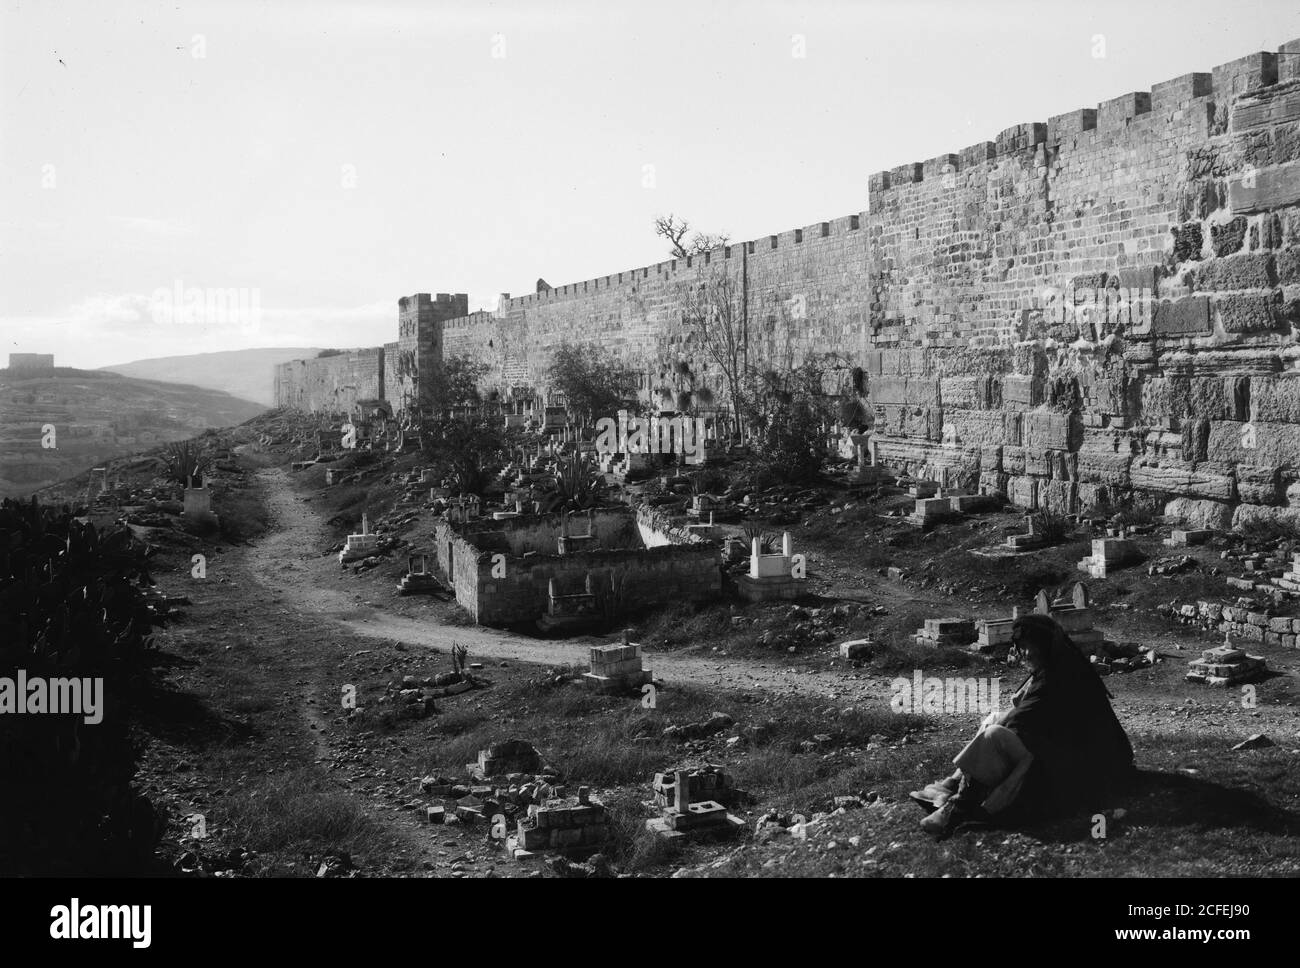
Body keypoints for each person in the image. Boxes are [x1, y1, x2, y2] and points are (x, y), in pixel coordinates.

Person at [910, 612, 1134, 838]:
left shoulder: (1058, 676)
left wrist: (1004, 726)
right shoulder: (1059, 664)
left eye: (1027, 646)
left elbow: (1020, 721)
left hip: (1092, 766)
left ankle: (957, 808)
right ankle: (953, 784)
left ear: (1044, 645)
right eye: (1020, 646)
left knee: (994, 733)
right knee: (994, 719)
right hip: (1070, 749)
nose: (1021, 653)